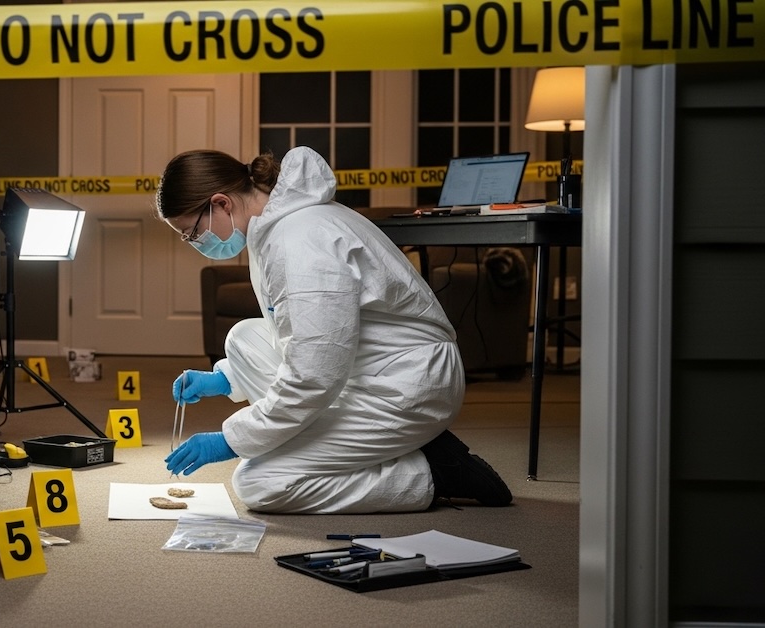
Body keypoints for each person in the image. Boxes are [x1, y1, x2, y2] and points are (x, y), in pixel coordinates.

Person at [155, 146, 512, 514]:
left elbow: (312, 377)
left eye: (192, 233)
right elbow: (302, 336)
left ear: (221, 203)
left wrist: (232, 439)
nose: (196, 243)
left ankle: (433, 471)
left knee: (260, 482)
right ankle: (352, 446)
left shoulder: (300, 241)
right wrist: (226, 379)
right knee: (244, 338)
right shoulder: (279, 224)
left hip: (406, 388)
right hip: (374, 364)